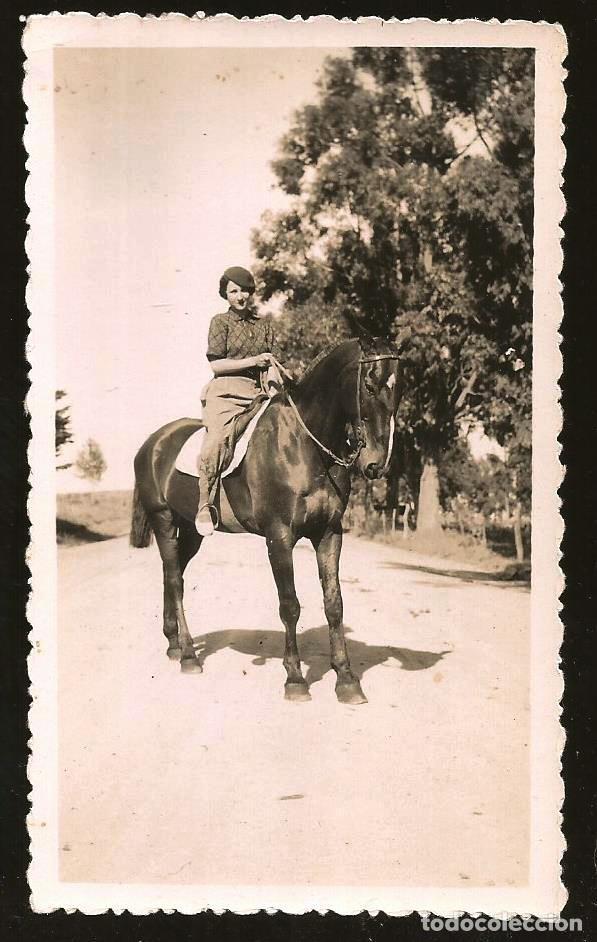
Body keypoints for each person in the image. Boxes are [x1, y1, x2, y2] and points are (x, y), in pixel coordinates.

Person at [195, 266, 290, 536]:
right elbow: (216, 365)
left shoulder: (265, 326)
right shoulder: (220, 323)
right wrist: (254, 361)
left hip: (258, 392)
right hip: (225, 393)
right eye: (233, 291)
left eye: (244, 290)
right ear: (225, 294)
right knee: (215, 442)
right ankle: (205, 504)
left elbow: (272, 364)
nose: (240, 296)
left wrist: (274, 382)